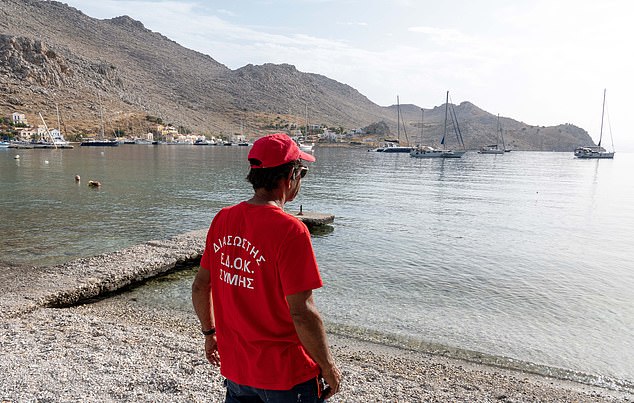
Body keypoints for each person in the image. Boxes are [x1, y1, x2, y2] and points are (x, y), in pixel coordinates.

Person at [192, 133, 341, 402]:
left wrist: (209, 333)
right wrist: (328, 366)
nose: (301, 180)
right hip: (286, 375)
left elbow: (201, 285)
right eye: (303, 172)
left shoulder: (223, 219)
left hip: (238, 371)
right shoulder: (290, 230)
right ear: (290, 176)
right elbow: (302, 312)